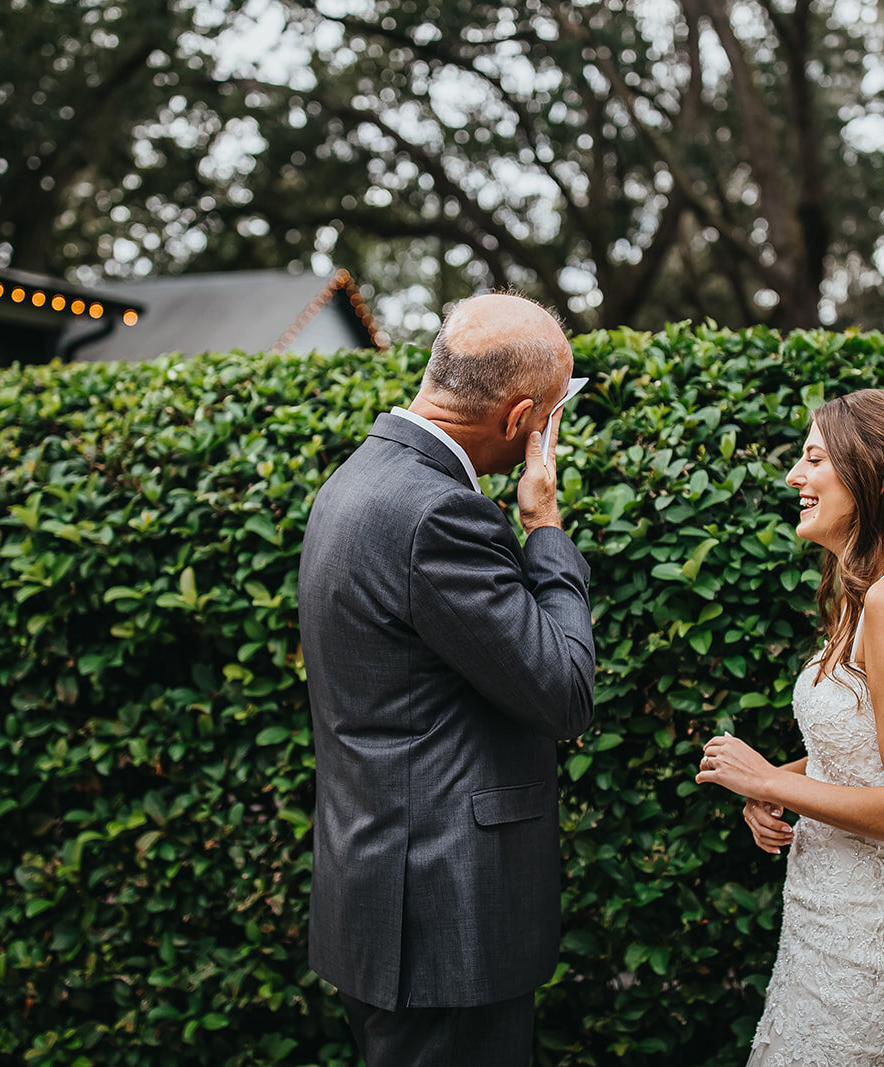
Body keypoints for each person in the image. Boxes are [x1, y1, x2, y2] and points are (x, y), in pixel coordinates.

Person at [298, 292, 596, 1066]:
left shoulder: (356, 479)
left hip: (379, 895)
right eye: (556, 412)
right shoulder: (441, 516)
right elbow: (563, 688)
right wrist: (545, 528)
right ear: (521, 416)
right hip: (443, 919)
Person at [696, 388, 884, 1066]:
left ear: (878, 476)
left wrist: (771, 777)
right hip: (826, 925)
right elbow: (865, 754)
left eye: (812, 459)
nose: (793, 477)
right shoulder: (868, 591)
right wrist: (778, 784)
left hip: (865, 949)